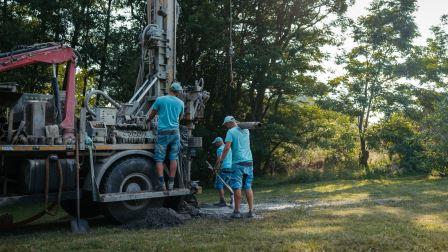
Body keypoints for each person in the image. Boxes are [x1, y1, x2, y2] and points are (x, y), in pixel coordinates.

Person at [148, 82, 184, 191]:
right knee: (174, 158)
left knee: (159, 159)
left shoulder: (160, 100)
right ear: (178, 92)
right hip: (175, 133)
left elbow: (152, 114)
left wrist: (148, 120)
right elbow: (180, 118)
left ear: (170, 89)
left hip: (163, 133)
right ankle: (171, 184)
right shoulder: (181, 103)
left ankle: (162, 184)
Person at [217, 116, 255, 218]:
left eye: (226, 125)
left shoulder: (231, 132)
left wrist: (221, 160)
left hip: (237, 163)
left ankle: (237, 212)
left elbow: (227, 148)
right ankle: (251, 211)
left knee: (237, 186)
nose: (226, 127)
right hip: (249, 162)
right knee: (248, 186)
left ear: (229, 123)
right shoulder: (246, 129)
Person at [212, 137, 233, 207]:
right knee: (227, 184)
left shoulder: (220, 149)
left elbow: (218, 160)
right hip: (230, 168)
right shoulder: (229, 148)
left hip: (223, 168)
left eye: (216, 143)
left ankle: (222, 201)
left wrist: (215, 168)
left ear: (219, 142)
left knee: (219, 185)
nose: (216, 144)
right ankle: (233, 199)